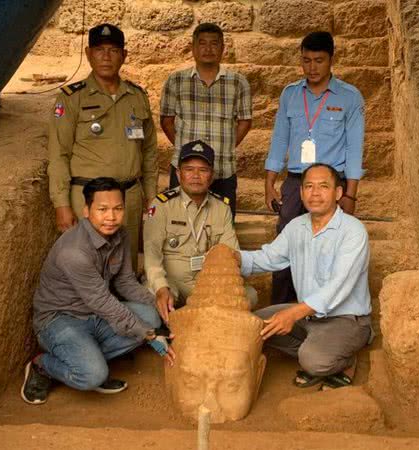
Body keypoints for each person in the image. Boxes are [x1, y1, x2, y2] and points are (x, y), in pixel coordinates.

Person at [21, 177, 173, 405]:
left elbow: (125, 283)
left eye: (118, 209)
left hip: (95, 315)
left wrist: (165, 310)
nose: (111, 217)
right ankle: (43, 366)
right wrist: (149, 335)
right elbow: (103, 302)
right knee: (93, 375)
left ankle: (87, 356)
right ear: (86, 211)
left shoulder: (120, 235)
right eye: (102, 209)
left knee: (150, 316)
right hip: (60, 320)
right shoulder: (74, 252)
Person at [238, 163, 372, 389]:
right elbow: (269, 258)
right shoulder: (296, 226)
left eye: (323, 186)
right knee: (250, 326)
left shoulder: (353, 231)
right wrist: (234, 258)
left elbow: (338, 287)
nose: (315, 193)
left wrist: (291, 314)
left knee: (313, 361)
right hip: (307, 317)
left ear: (338, 193)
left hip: (347, 319)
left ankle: (344, 359)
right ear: (301, 193)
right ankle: (320, 348)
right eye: (308, 186)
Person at [264, 31, 366, 305]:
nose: (312, 68)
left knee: (330, 248)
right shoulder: (291, 94)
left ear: (332, 60)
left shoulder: (349, 97)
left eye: (319, 61)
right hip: (296, 182)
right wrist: (269, 182)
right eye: (306, 61)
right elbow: (279, 139)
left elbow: (354, 149)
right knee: (286, 244)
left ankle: (327, 311)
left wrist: (350, 194)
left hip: (332, 183)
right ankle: (281, 311)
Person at [47, 23, 158, 270]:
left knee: (124, 269)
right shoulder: (72, 97)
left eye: (113, 50)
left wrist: (151, 195)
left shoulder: (137, 96)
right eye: (99, 50)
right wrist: (61, 205)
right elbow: (58, 154)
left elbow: (149, 150)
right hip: (88, 198)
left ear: (124, 56)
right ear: (88, 54)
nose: (106, 56)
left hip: (128, 198)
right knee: (89, 268)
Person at [144, 140, 258, 323]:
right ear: (179, 174)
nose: (196, 175)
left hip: (207, 285)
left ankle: (194, 320)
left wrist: (220, 288)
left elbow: (231, 254)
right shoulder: (162, 205)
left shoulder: (222, 207)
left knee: (249, 295)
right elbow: (152, 257)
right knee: (153, 295)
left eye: (203, 170)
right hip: (173, 284)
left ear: (211, 176)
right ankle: (199, 320)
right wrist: (161, 288)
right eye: (189, 169)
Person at [159, 22, 252, 217]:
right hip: (185, 169)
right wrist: (183, 148)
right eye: (202, 43)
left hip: (223, 169)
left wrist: (227, 146)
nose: (208, 49)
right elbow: (166, 121)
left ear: (223, 48)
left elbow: (245, 121)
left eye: (214, 44)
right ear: (193, 47)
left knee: (222, 231)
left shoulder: (238, 82)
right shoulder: (176, 81)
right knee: (180, 227)